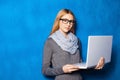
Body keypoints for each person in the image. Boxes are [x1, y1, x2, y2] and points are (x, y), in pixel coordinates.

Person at [42, 9, 104, 80]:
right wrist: (62, 70)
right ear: (58, 21)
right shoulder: (50, 42)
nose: (68, 24)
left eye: (71, 22)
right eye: (65, 20)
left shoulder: (77, 41)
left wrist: (94, 65)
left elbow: (80, 65)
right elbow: (45, 70)